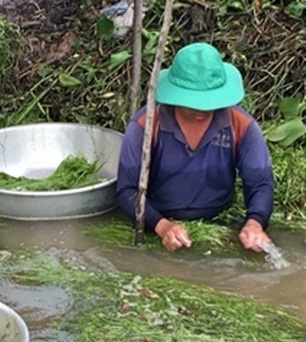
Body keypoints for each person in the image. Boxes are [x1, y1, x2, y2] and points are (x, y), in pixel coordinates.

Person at [116, 42, 274, 253]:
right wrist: (162, 226)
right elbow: (127, 190)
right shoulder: (145, 126)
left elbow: (261, 184)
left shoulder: (241, 126)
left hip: (219, 220)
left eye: (208, 102)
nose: (202, 109)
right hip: (157, 221)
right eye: (192, 102)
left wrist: (255, 222)